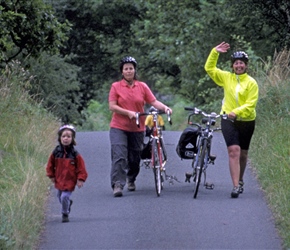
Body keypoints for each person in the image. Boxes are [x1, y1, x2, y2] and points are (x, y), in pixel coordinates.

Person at [108, 56, 172, 197]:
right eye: (126, 69)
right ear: (122, 71)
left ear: (134, 70)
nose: (129, 71)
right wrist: (128, 112)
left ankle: (131, 178)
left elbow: (153, 101)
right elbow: (112, 106)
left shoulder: (142, 86)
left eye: (131, 68)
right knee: (119, 155)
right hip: (119, 126)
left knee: (134, 158)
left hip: (137, 128)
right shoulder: (116, 87)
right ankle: (118, 184)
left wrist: (166, 108)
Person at [204, 42, 259, 198]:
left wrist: (237, 111)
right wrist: (214, 52)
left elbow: (251, 103)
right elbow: (209, 69)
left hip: (247, 121)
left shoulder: (251, 83)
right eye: (236, 63)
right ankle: (235, 186)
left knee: (243, 154)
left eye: (241, 63)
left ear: (246, 65)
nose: (239, 66)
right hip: (228, 119)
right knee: (234, 151)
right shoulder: (226, 78)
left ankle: (240, 180)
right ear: (232, 66)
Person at [46, 125, 88, 222]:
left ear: (72, 139)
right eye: (63, 136)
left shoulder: (74, 154)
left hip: (70, 180)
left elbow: (81, 167)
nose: (66, 138)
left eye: (69, 136)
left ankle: (65, 213)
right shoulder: (56, 152)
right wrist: (51, 175)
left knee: (64, 196)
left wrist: (80, 179)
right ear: (60, 138)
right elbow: (50, 164)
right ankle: (67, 203)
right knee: (60, 196)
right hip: (59, 179)